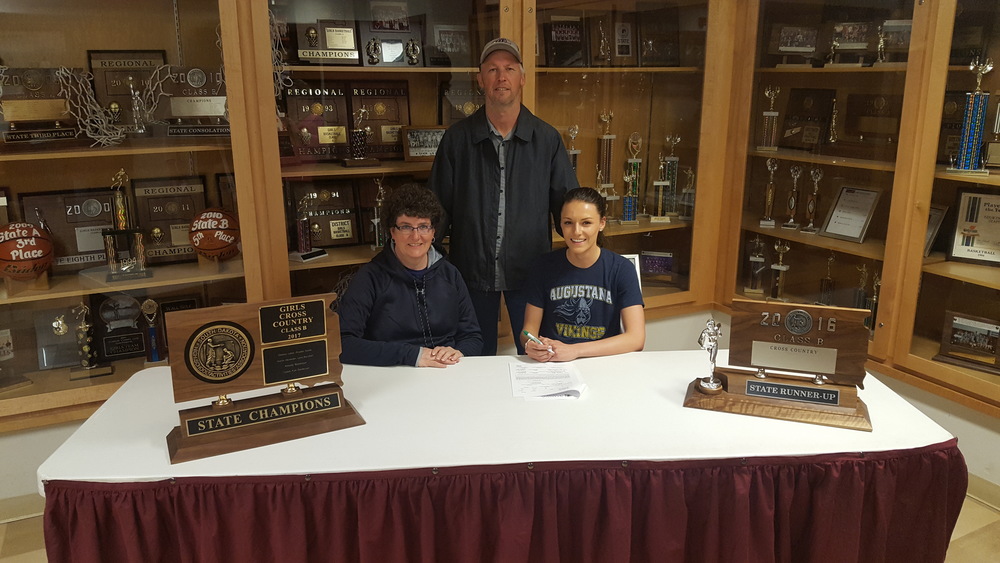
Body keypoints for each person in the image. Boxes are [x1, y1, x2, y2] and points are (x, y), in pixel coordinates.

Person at [428, 37, 579, 355]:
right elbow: (437, 207)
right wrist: (429, 267)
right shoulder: (457, 139)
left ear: (522, 78)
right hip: (469, 272)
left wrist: (584, 260)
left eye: (509, 68)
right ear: (480, 79)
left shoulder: (547, 139)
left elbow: (567, 208)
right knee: (471, 359)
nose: (501, 77)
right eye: (492, 69)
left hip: (531, 272)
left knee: (537, 357)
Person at [337, 184, 482, 367]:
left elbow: (472, 336)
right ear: (392, 232)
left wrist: (459, 352)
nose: (415, 237)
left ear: (433, 232)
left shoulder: (450, 274)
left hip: (446, 370)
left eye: (423, 227)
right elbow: (344, 344)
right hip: (393, 372)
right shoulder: (369, 278)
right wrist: (413, 355)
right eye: (406, 227)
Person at [521, 187, 645, 362]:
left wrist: (575, 351)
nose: (576, 231)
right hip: (553, 364)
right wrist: (530, 345)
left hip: (603, 361)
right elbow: (528, 330)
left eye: (586, 223)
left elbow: (636, 338)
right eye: (568, 223)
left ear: (602, 223)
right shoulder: (542, 266)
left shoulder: (621, 269)